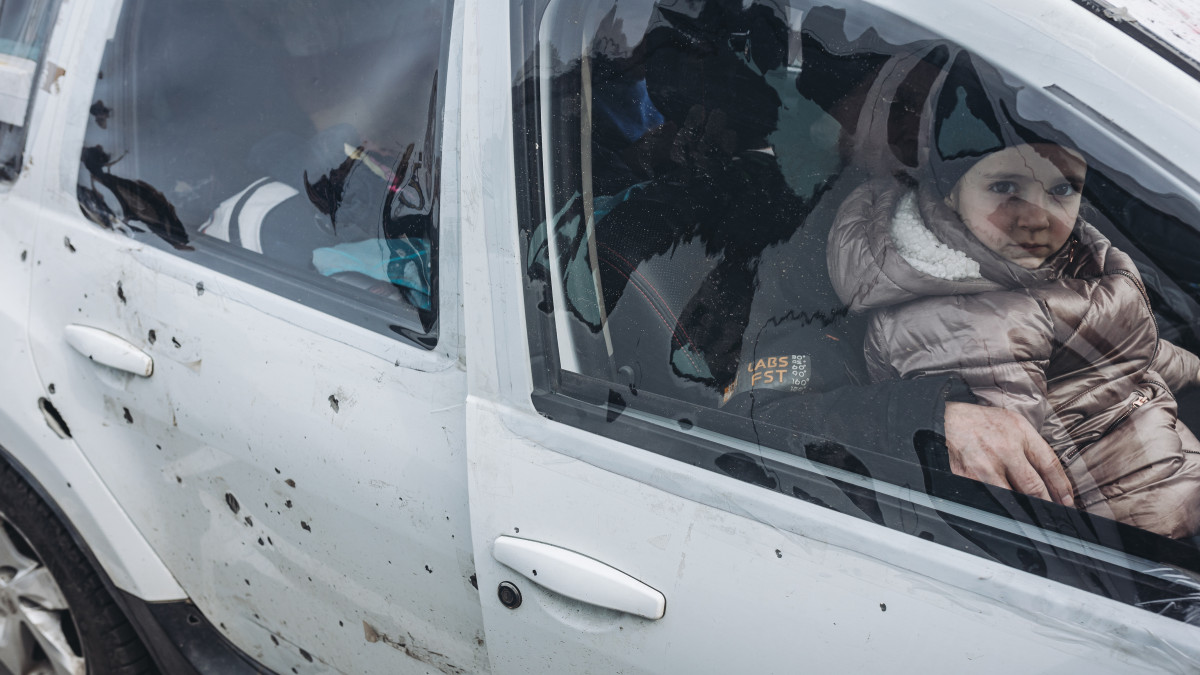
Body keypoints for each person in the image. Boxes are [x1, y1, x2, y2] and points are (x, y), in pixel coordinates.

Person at [826, 48, 1200, 537]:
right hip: (1136, 526)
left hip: (1166, 465)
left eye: (1062, 189)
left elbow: (1129, 349)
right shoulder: (964, 323)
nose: (1037, 215)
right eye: (1005, 186)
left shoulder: (1061, 262)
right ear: (948, 191)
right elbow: (1013, 477)